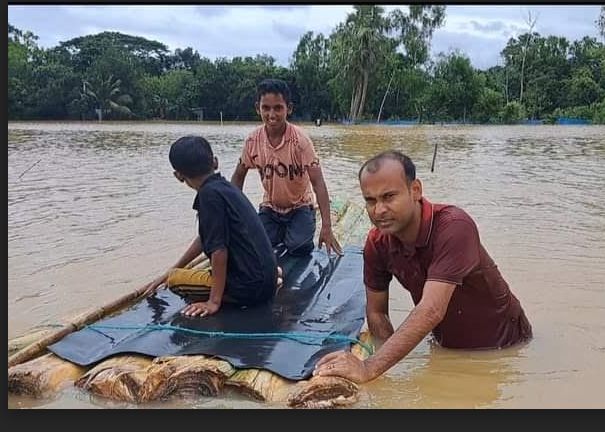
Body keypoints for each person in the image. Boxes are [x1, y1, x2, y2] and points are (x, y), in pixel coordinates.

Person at [314, 150, 532, 383]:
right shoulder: (377, 243)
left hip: (504, 350)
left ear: (415, 190)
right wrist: (392, 369)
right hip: (445, 348)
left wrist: (369, 368)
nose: (378, 211)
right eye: (370, 200)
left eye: (388, 197)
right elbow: (377, 312)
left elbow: (431, 310)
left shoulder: (454, 226)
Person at [143, 135, 281, 318]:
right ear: (215, 162)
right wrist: (175, 267)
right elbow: (205, 238)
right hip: (266, 280)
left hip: (250, 288)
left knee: (175, 280)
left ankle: (226, 294)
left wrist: (213, 301)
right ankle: (272, 275)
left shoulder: (209, 196)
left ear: (178, 176)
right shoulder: (226, 187)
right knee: (176, 272)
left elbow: (219, 251)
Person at [230, 78, 342, 257]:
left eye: (278, 108)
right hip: (270, 208)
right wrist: (233, 214)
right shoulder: (253, 141)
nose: (271, 115)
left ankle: (296, 230)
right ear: (257, 108)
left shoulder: (300, 142)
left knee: (299, 247)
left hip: (300, 207)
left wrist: (327, 228)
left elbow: (318, 183)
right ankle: (280, 232)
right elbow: (238, 177)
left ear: (288, 108)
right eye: (266, 108)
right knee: (253, 246)